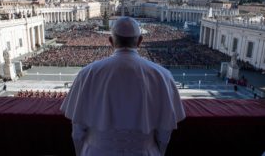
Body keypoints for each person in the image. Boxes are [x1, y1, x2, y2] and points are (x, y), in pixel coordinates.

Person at [60, 17, 185, 156]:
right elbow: (164, 133)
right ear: (140, 41)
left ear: (111, 41)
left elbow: (77, 130)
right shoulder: (163, 75)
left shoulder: (87, 73)